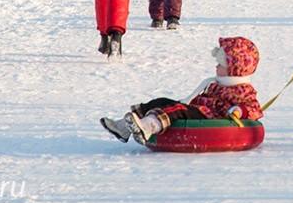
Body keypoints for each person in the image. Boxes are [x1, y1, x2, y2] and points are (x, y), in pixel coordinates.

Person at [100, 36, 262, 145]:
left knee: (177, 110)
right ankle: (123, 127)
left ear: (234, 69)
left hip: (210, 115)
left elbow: (254, 109)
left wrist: (239, 111)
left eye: (220, 65)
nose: (216, 67)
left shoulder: (242, 89)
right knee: (162, 102)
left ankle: (149, 127)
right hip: (199, 109)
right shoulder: (218, 83)